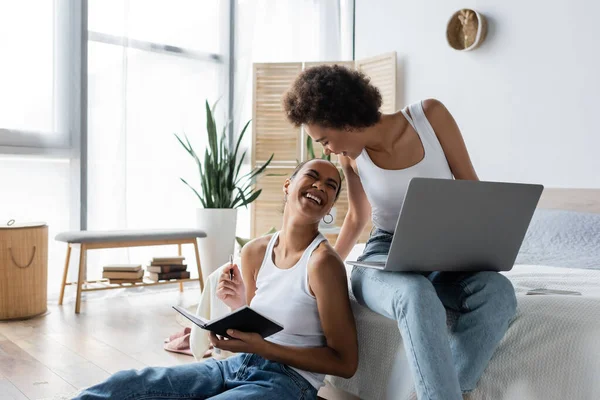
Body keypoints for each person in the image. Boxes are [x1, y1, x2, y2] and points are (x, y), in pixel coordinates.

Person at [283, 65, 517, 400]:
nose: (328, 151)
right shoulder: (353, 159)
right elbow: (357, 217)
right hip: (384, 254)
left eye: (325, 140)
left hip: (443, 252)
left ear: (345, 119)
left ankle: (448, 390)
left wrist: (479, 244)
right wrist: (322, 263)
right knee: (415, 294)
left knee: (498, 293)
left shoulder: (430, 117)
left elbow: (470, 187)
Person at [74, 158, 358, 400]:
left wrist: (264, 348)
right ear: (288, 185)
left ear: (330, 205)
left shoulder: (323, 264)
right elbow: (263, 324)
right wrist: (236, 309)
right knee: (128, 384)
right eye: (312, 176)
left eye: (331, 186)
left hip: (289, 381)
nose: (320, 185)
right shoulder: (255, 251)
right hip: (238, 365)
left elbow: (345, 363)